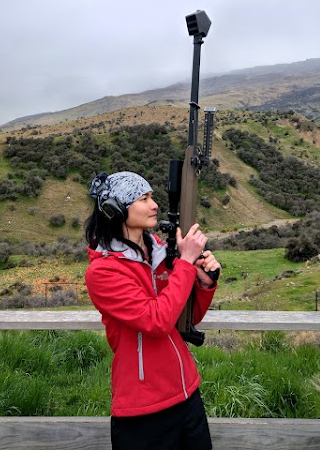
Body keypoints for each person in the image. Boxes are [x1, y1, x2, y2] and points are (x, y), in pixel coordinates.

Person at [85, 171, 221, 450]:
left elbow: (184, 318)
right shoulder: (103, 271)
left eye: (153, 197)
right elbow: (157, 321)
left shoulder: (159, 253)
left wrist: (204, 285)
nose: (154, 204)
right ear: (116, 209)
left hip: (187, 394)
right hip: (143, 410)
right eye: (144, 198)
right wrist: (185, 263)